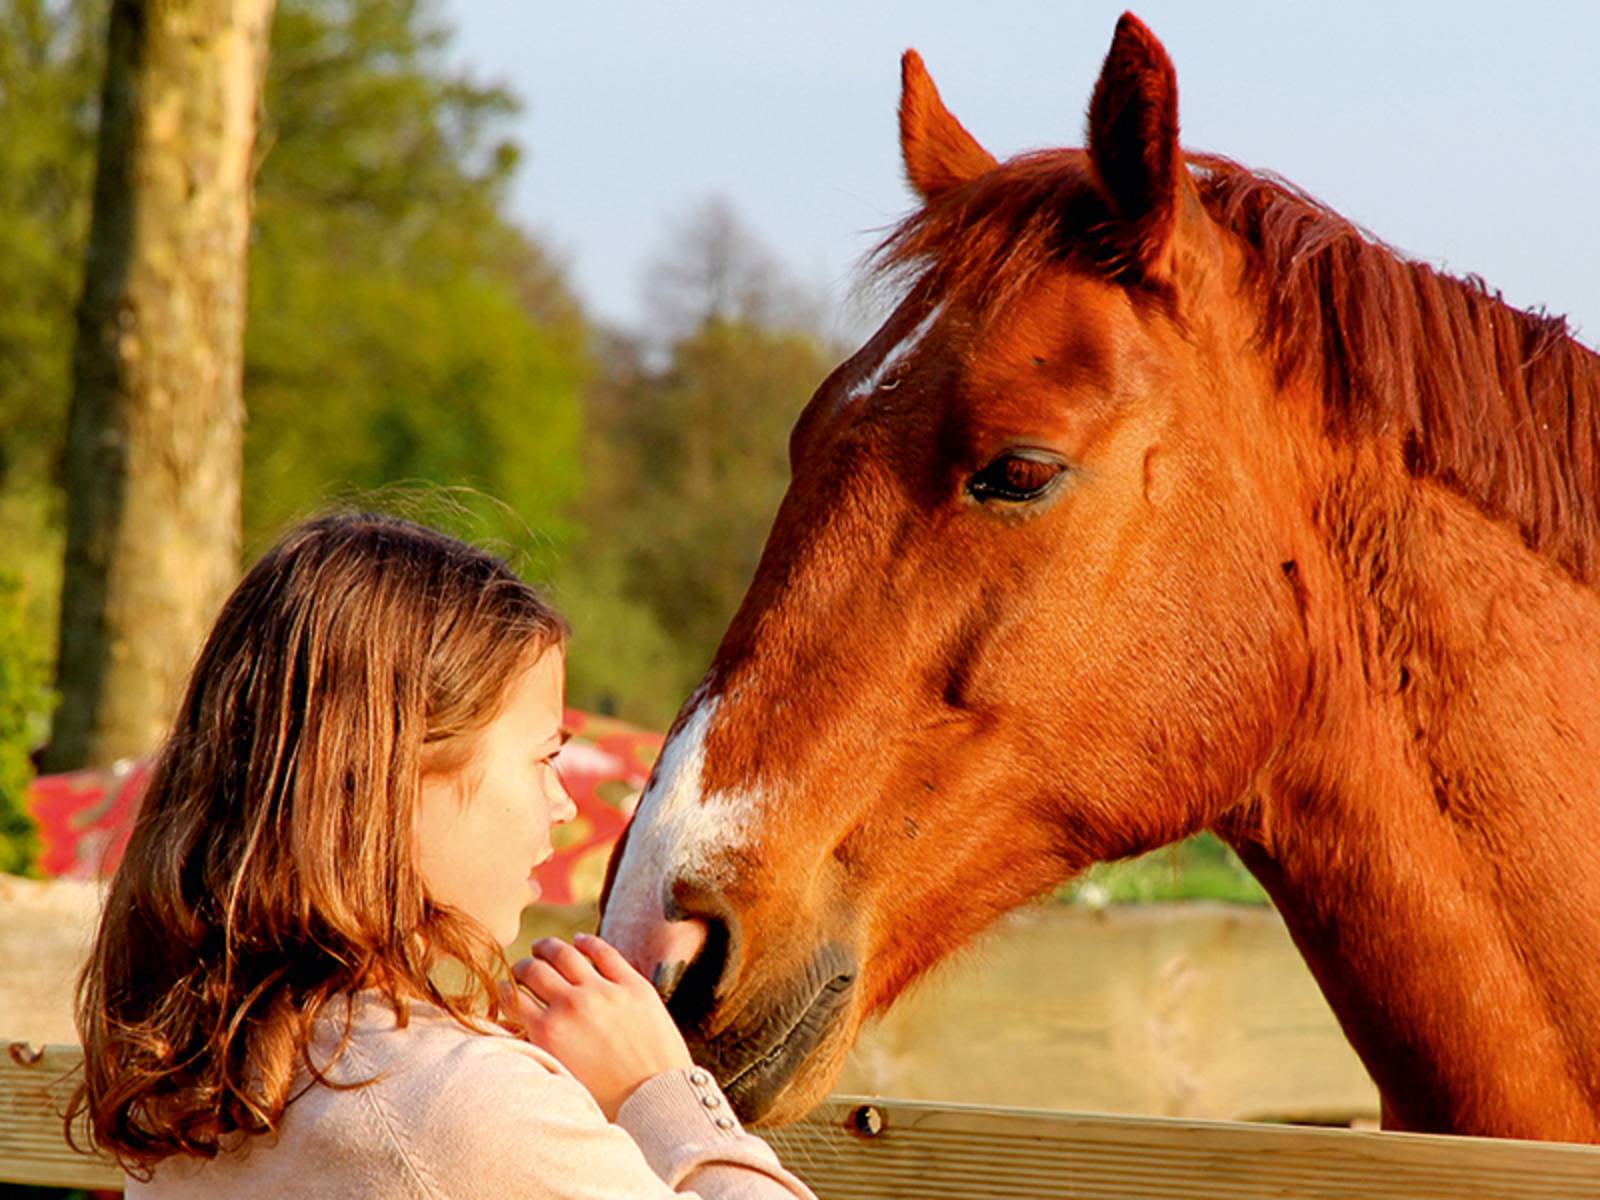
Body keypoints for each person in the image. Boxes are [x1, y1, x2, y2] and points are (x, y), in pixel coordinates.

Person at [71, 512, 816, 1199]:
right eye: (543, 758)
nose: (562, 803)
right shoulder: (466, 1113)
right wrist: (660, 1094)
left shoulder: (201, 1090)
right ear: (394, 782)